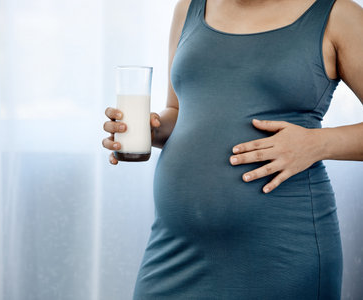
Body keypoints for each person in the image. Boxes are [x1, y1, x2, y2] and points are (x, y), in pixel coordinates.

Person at [102, 0, 363, 298]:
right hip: (174, 249)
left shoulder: (338, 15)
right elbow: (178, 111)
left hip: (281, 251)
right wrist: (150, 129)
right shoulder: (189, 7)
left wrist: (318, 143)